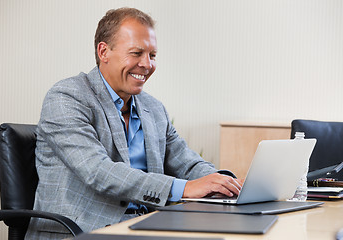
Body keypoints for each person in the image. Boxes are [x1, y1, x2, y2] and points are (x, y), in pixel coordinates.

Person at [25, 7, 243, 239]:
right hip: (83, 231)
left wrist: (225, 184)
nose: (147, 64)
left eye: (152, 55)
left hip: (147, 225)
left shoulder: (154, 109)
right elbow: (98, 171)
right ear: (104, 51)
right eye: (136, 53)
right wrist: (184, 188)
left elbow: (187, 164)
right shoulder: (66, 97)